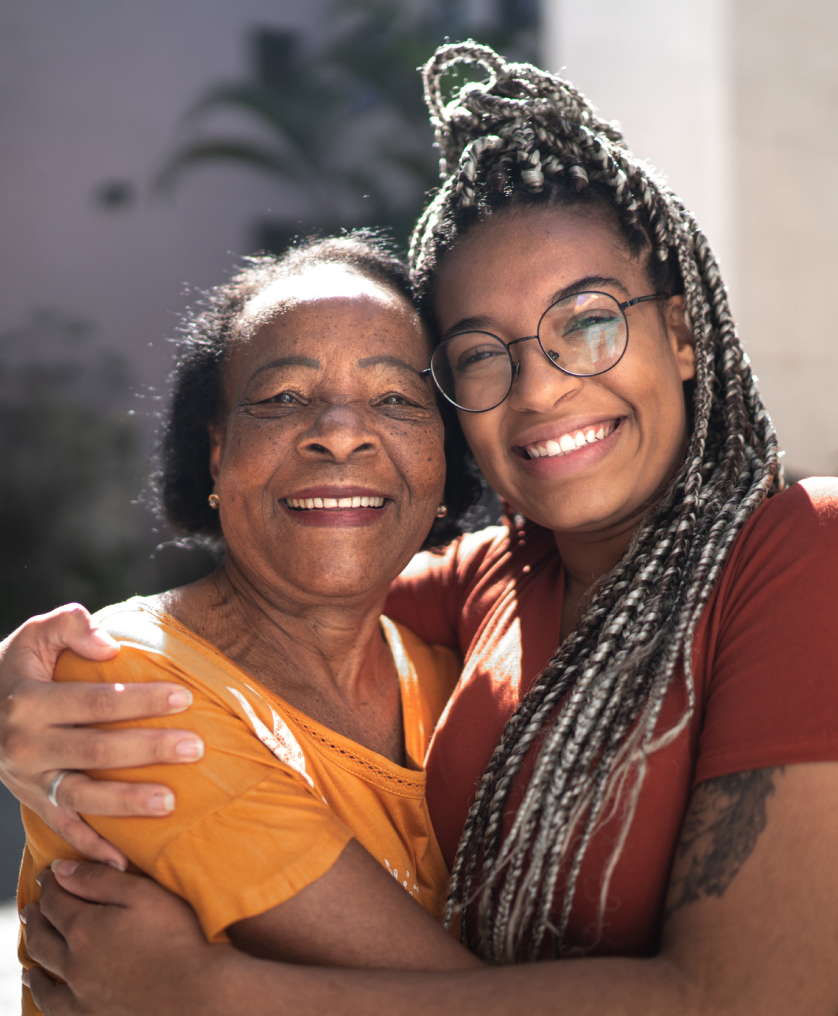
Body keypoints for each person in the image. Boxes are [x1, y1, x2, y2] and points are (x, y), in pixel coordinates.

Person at [7, 41, 838, 1014]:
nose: (539, 385)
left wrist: (216, 992)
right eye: (481, 353)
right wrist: (47, 683)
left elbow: (759, 996)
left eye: (589, 320)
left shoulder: (795, 552)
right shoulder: (491, 582)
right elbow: (270, 605)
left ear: (686, 332)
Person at [14, 232, 492, 1015]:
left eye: (397, 400)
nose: (339, 431)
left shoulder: (459, 687)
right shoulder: (117, 679)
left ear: (445, 461)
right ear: (216, 454)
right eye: (282, 399)